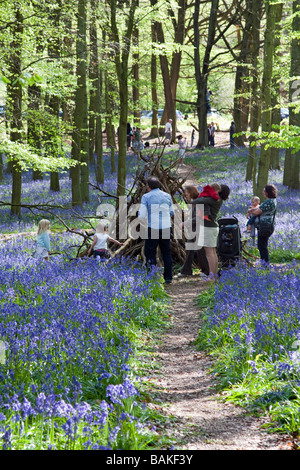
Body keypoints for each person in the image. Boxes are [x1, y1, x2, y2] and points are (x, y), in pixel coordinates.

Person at [138, 176, 174, 284]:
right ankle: (168, 277)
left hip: (153, 227)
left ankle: (152, 277)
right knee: (166, 251)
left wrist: (144, 221)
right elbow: (172, 212)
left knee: (150, 252)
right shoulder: (167, 195)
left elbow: (142, 215)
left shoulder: (146, 197)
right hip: (166, 226)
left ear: (148, 186)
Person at [192, 183, 231, 280]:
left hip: (208, 228)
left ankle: (212, 275)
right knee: (213, 252)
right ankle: (213, 274)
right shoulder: (217, 199)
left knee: (209, 253)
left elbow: (197, 201)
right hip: (212, 227)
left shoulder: (214, 199)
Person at [177, 185, 209, 278]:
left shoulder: (199, 202)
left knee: (200, 250)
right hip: (194, 229)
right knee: (190, 249)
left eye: (186, 194)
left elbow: (199, 218)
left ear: (191, 193)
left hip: (198, 229)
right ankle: (187, 270)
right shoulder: (194, 202)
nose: (185, 195)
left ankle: (206, 271)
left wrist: (185, 223)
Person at [247, 184, 277, 264]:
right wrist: (252, 210)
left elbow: (257, 212)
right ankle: (265, 263)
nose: (263, 192)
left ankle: (265, 264)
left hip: (264, 226)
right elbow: (258, 208)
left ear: (267, 192)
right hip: (267, 225)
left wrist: (250, 211)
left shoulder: (268, 202)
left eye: (264, 191)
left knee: (262, 246)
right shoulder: (272, 201)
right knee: (263, 245)